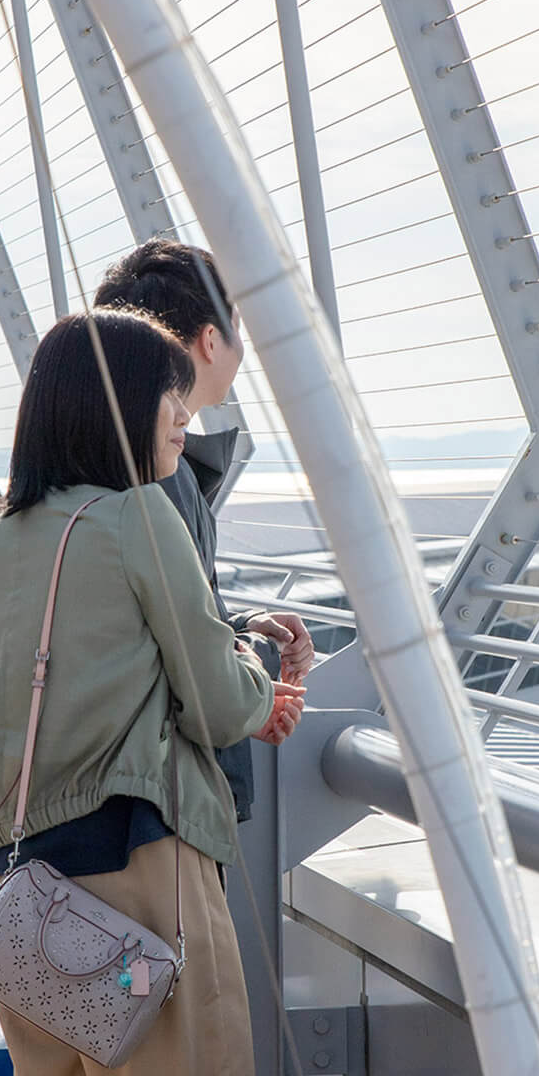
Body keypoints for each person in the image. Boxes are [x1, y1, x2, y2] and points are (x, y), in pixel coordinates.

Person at [0, 310, 301, 1076]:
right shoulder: (144, 519)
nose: (184, 423)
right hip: (145, 882)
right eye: (172, 402)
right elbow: (220, 702)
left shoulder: (0, 539)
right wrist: (266, 684)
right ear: (117, 407)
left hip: (32, 889)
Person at [94, 239, 315, 822]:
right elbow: (177, 662)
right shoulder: (161, 475)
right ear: (210, 341)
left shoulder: (96, 458)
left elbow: (140, 620)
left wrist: (239, 625)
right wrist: (254, 699)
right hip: (166, 799)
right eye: (235, 330)